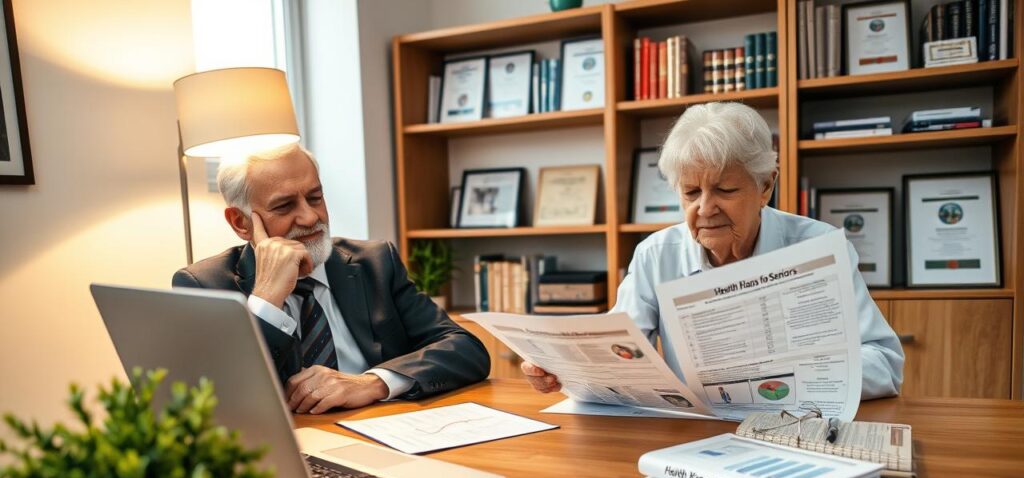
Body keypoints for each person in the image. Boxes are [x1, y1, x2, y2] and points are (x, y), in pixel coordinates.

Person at [521, 102, 904, 400]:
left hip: (801, 423)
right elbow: (619, 354)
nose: (704, 209)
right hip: (696, 434)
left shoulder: (818, 247)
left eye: (725, 190)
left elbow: (885, 366)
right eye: (690, 193)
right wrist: (562, 368)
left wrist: (784, 377)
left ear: (766, 186)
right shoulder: (656, 254)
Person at [172, 143, 489, 414]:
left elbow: (466, 349)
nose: (310, 217)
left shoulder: (375, 262)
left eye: (315, 197)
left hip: (386, 434)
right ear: (241, 223)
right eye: (284, 206)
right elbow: (215, 401)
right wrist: (267, 299)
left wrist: (372, 383)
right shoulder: (204, 285)